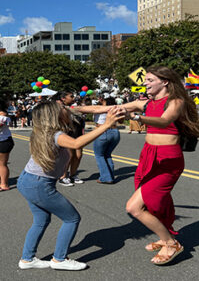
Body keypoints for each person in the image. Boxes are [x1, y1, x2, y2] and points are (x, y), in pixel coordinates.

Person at [76, 66, 199, 265]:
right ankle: (164, 237)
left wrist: (134, 117)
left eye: (150, 80)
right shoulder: (144, 103)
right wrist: (71, 109)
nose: (145, 83)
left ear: (165, 82)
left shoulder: (175, 101)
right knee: (152, 203)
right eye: (145, 80)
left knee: (134, 207)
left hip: (168, 160)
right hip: (148, 156)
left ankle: (171, 243)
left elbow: (164, 121)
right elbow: (101, 109)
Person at [17, 101, 124, 270]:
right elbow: (76, 144)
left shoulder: (42, 132)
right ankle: (59, 260)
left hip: (28, 181)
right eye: (63, 109)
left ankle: (27, 259)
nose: (68, 110)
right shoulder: (56, 135)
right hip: (39, 184)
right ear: (54, 116)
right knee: (72, 218)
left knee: (41, 220)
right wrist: (107, 124)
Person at [87, 95, 121, 184]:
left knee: (99, 155)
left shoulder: (100, 108)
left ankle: (105, 177)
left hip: (102, 131)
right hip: (115, 132)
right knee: (107, 154)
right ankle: (110, 176)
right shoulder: (116, 109)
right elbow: (121, 121)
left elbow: (88, 109)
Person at [55, 91, 85, 186]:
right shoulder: (60, 107)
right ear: (63, 98)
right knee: (69, 156)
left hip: (78, 133)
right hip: (67, 134)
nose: (73, 98)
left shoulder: (75, 107)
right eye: (71, 96)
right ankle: (63, 177)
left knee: (78, 155)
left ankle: (73, 175)